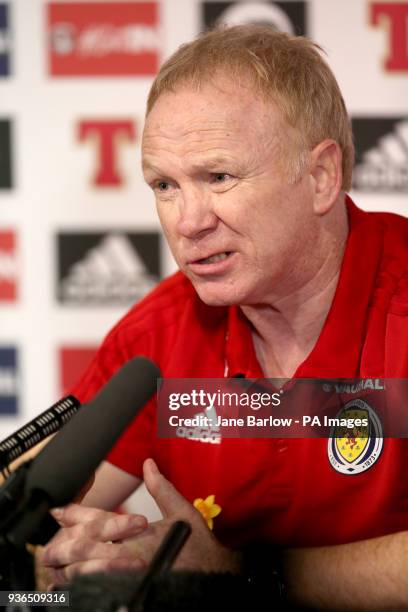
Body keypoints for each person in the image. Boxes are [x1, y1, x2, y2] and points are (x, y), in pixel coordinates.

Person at [39, 25, 408, 609]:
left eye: (218, 177)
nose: (187, 223)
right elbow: (33, 521)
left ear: (320, 178)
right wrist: (68, 569)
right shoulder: (157, 335)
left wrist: (240, 573)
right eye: (164, 184)